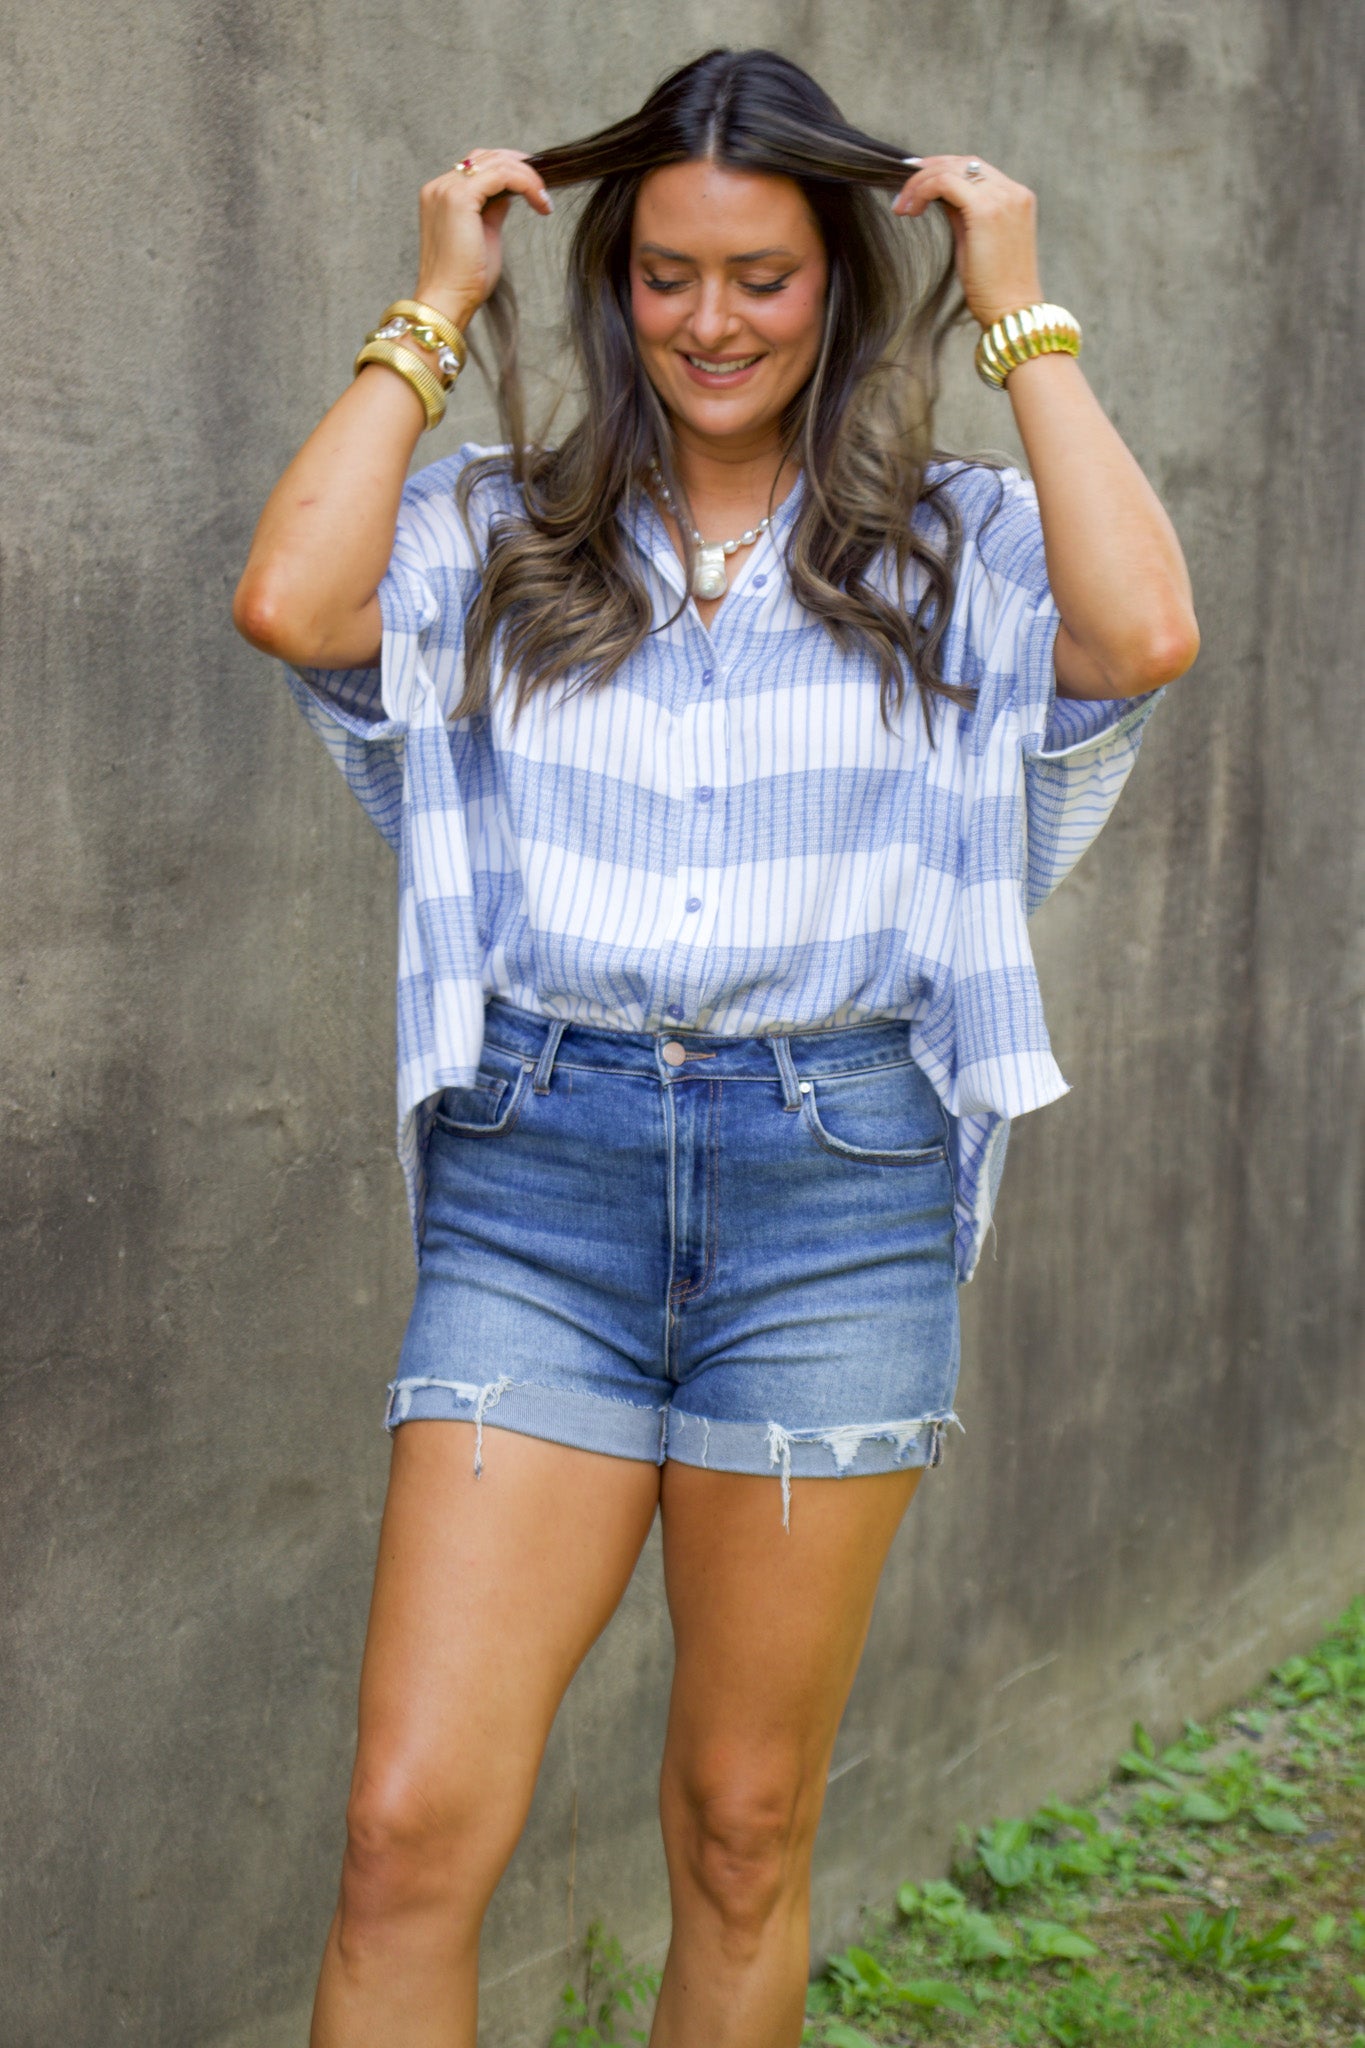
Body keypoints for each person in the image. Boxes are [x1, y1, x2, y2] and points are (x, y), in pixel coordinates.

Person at [233, 44, 1198, 2048]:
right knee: (405, 1833)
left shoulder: (952, 540)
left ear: (834, 282)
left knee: (743, 1829)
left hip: (831, 1192)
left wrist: (1017, 307)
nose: (709, 321)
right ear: (614, 286)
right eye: (664, 274)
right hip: (538, 1181)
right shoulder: (506, 527)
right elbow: (291, 600)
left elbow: (1138, 638)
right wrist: (433, 304)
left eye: (760, 276)